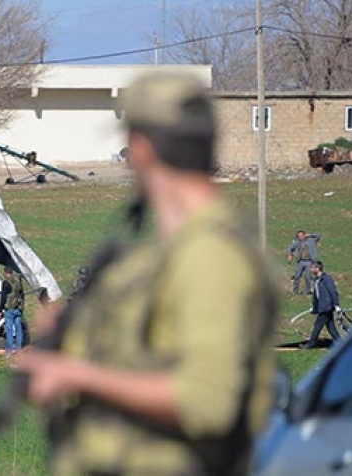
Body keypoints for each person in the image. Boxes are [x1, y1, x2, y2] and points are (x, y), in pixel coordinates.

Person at [14, 71, 279, 476]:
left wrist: (76, 375)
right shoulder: (174, 251)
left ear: (141, 149)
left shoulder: (211, 255)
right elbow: (154, 351)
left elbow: (206, 402)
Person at [301, 260, 341, 348]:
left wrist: (336, 304)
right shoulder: (317, 280)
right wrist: (314, 307)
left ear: (318, 268)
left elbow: (333, 291)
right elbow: (316, 295)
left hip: (327, 307)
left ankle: (311, 344)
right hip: (322, 307)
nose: (311, 270)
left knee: (317, 326)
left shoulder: (326, 278)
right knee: (331, 327)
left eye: (312, 268)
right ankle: (340, 343)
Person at [0, 266, 24, 357]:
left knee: (9, 330)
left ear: (6, 273)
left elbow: (3, 297)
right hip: (17, 309)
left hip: (9, 310)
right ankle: (19, 349)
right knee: (19, 329)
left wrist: (0, 309)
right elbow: (21, 294)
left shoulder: (5, 283)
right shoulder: (18, 282)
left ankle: (9, 351)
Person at [287, 230, 321, 294]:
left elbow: (318, 235)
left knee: (307, 276)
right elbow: (289, 247)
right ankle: (295, 291)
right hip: (300, 261)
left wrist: (310, 235)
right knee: (297, 276)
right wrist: (290, 255)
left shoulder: (311, 240)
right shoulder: (297, 242)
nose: (300, 237)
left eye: (302, 235)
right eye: (299, 236)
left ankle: (307, 291)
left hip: (309, 261)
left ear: (304, 235)